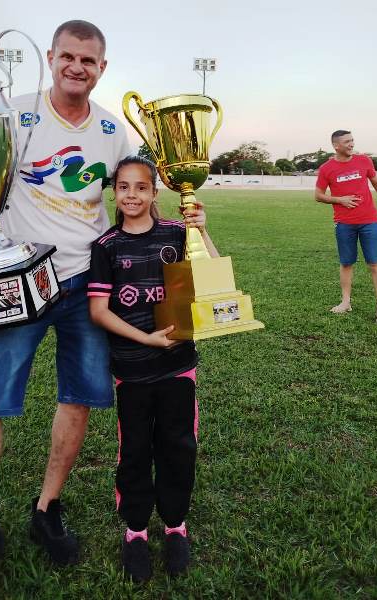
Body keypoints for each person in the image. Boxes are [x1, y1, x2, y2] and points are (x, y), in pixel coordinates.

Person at [0, 21, 131, 600]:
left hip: (88, 285)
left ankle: (47, 507)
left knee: (79, 399)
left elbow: (131, 201)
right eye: (68, 56)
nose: (78, 66)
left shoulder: (112, 132)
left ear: (103, 67)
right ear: (50, 58)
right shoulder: (12, 114)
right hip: (19, 281)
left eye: (89, 60)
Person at [87, 156, 216, 582]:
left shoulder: (177, 234)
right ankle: (137, 530)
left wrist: (202, 231)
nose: (132, 195)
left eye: (141, 187)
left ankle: (176, 524)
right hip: (133, 369)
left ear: (155, 193)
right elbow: (99, 310)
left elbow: (211, 277)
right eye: (124, 187)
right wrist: (145, 339)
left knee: (179, 445)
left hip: (178, 365)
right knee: (136, 451)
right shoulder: (106, 247)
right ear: (114, 193)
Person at [315, 130, 377, 324]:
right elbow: (318, 195)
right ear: (336, 146)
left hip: (369, 221)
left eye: (352, 140)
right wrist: (339, 200)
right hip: (344, 224)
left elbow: (376, 182)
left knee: (375, 263)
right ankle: (345, 303)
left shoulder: (364, 161)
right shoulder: (327, 168)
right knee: (346, 263)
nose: (351, 144)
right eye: (347, 142)